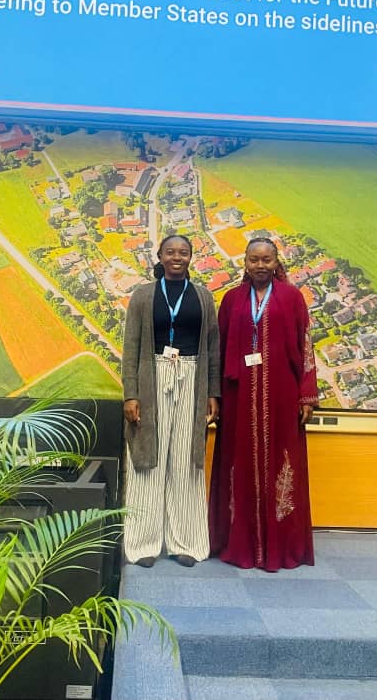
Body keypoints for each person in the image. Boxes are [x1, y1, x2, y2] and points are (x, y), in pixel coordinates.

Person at [209, 237, 318, 571]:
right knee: (238, 462)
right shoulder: (231, 300)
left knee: (281, 464)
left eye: (266, 260)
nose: (260, 265)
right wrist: (215, 395)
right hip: (237, 395)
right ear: (245, 262)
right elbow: (219, 351)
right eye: (254, 260)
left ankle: (281, 546)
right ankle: (237, 544)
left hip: (282, 396)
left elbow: (306, 346)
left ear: (276, 262)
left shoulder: (291, 298)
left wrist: (307, 395)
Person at [122, 234, 220, 568]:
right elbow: (130, 348)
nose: (177, 257)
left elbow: (213, 350)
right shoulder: (143, 296)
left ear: (191, 257)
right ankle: (144, 544)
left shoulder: (204, 298)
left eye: (183, 253)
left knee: (184, 461)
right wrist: (131, 393)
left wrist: (212, 393)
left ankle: (184, 542)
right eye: (170, 252)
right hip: (153, 377)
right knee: (148, 460)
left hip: (191, 377)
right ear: (160, 257)